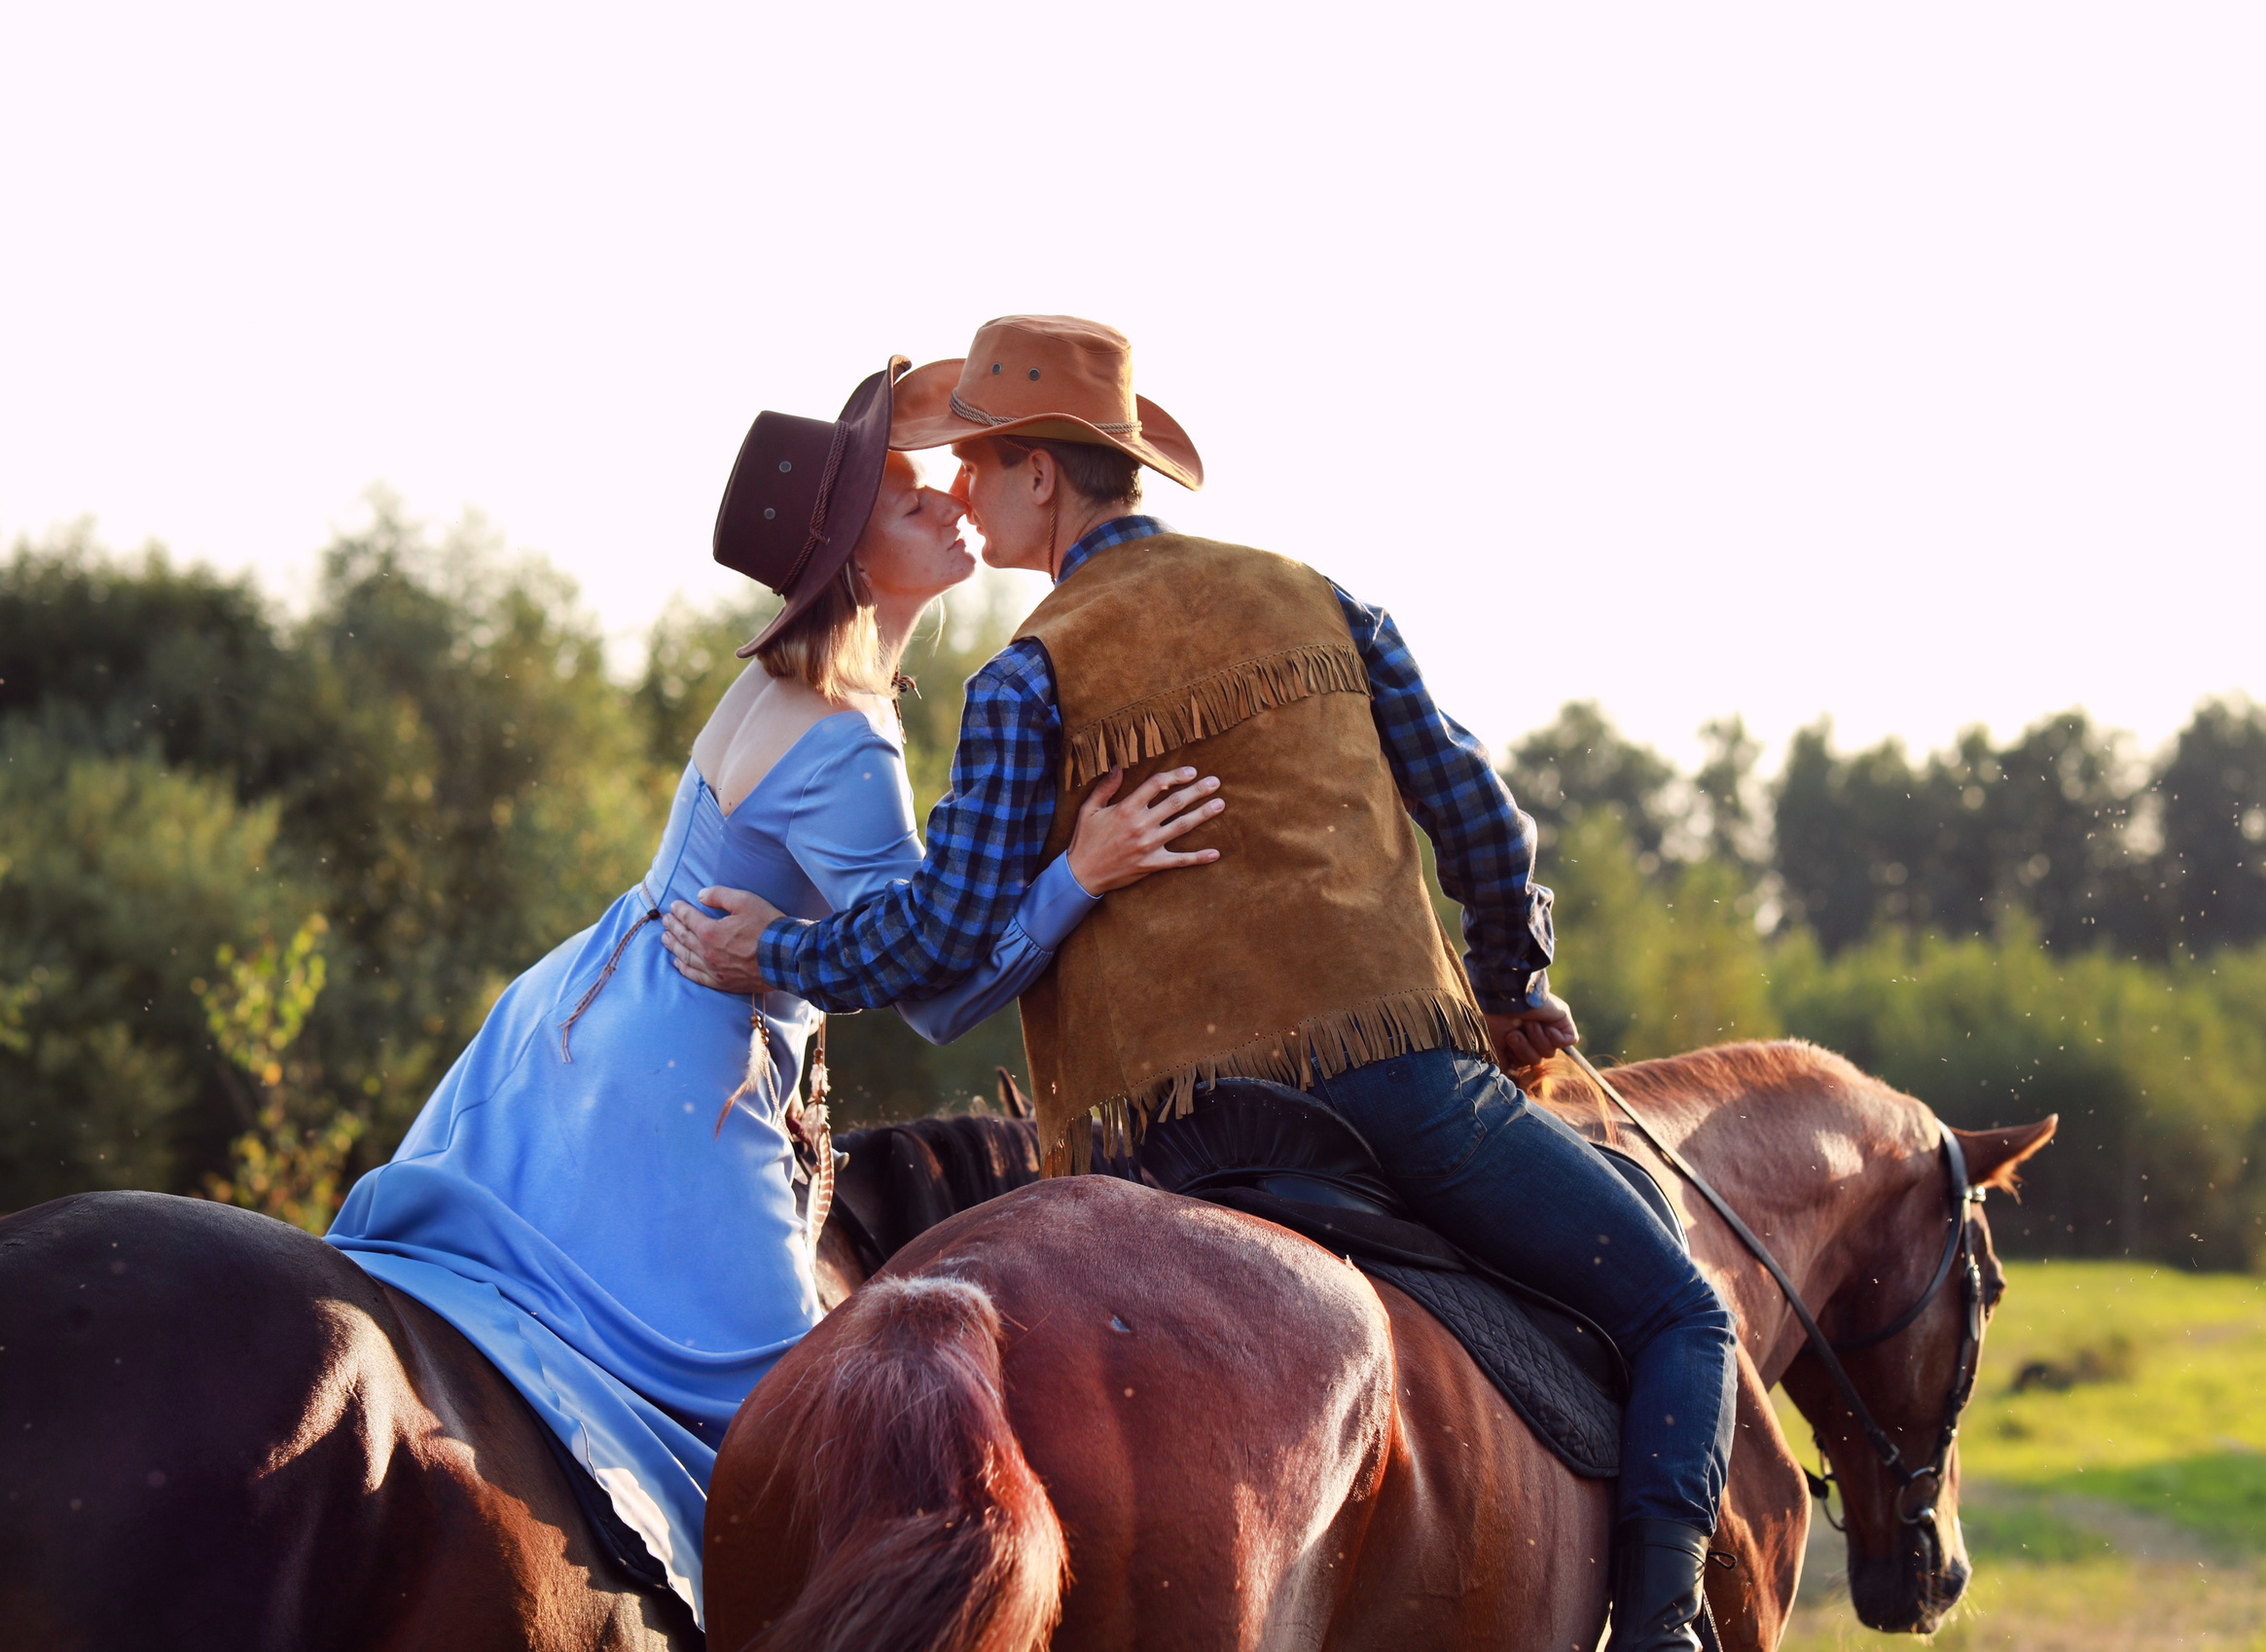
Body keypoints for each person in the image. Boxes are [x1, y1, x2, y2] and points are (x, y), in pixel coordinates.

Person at [659, 316, 1739, 1651]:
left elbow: (936, 938)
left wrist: (781, 954)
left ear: (1041, 478)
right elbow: (1486, 830)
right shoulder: (1323, 601)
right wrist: (1511, 986)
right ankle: (1664, 1630)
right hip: (1403, 1099)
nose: (964, 494)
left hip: (1170, 1145)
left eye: (982, 466)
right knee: (1684, 1308)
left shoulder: (1026, 676)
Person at [324, 359, 1223, 1625]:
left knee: (537, 1325)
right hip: (693, 1063)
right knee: (775, 1430)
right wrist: (1081, 874)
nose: (951, 506)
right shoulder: (846, 737)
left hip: (582, 1012)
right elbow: (936, 993)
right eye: (910, 503)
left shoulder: (787, 680)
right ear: (856, 558)